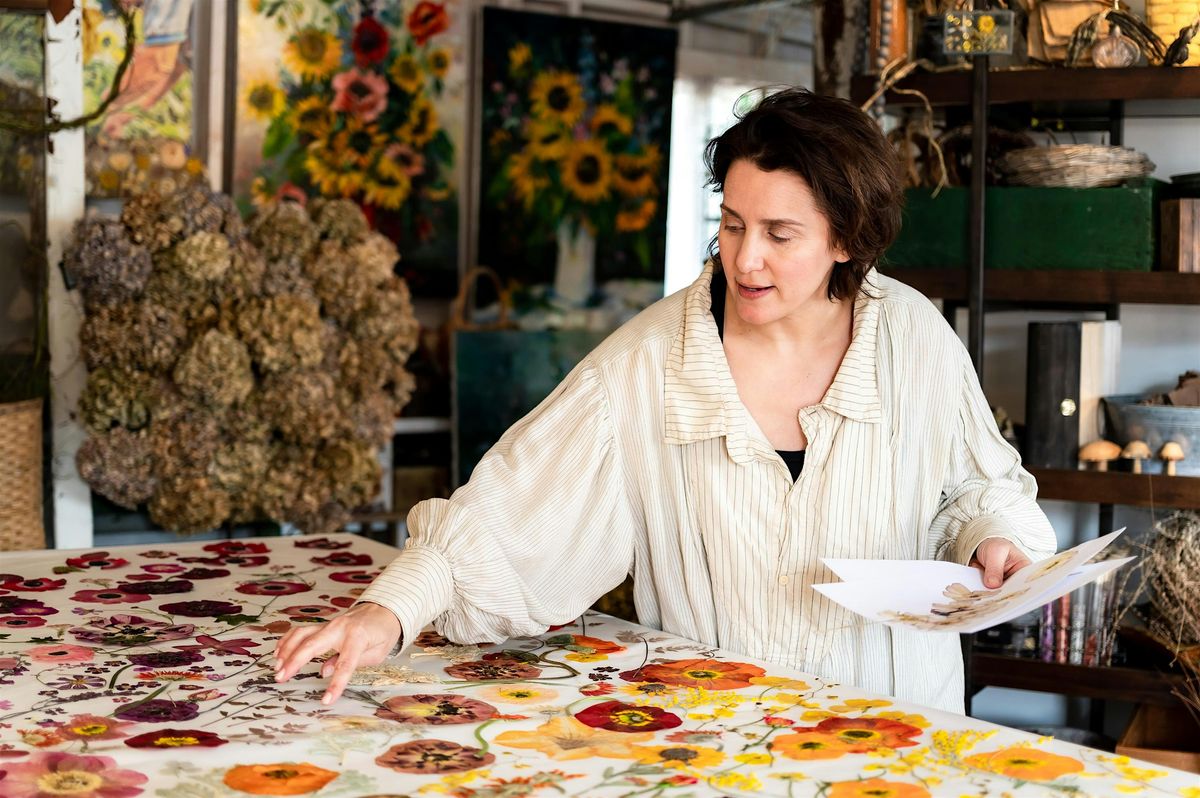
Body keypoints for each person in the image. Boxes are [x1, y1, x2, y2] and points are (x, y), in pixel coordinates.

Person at [273, 87, 1057, 714]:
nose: (745, 258)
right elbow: (510, 516)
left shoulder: (915, 337)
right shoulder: (645, 366)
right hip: (714, 744)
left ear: (847, 240)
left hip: (901, 738)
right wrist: (390, 610)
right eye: (733, 222)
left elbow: (975, 488)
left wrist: (994, 540)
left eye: (780, 235)